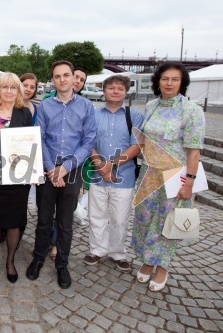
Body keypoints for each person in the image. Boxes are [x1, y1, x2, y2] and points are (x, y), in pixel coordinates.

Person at [132, 62, 205, 292]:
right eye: (165, 79)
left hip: (175, 176)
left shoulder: (191, 110)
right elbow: (143, 139)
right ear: (158, 81)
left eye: (174, 79)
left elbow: (194, 150)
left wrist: (189, 182)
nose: (169, 83)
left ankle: (162, 265)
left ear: (182, 82)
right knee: (144, 219)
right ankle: (147, 259)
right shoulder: (151, 106)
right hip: (149, 173)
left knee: (167, 222)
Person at [26, 60, 96, 289]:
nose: (63, 79)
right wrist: (50, 169)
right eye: (58, 76)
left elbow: (88, 142)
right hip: (48, 168)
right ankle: (38, 258)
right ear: (53, 80)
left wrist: (65, 168)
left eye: (66, 75)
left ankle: (62, 264)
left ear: (72, 76)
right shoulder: (45, 107)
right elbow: (41, 138)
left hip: (72, 170)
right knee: (44, 219)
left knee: (66, 222)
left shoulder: (86, 106)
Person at [85, 75, 143, 272]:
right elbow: (87, 142)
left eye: (120, 88)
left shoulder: (134, 116)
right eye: (111, 88)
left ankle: (118, 253)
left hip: (124, 176)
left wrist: (112, 165)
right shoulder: (93, 114)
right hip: (97, 174)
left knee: (119, 217)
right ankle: (97, 250)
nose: (116, 91)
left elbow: (137, 146)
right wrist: (101, 166)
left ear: (126, 92)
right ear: (104, 91)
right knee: (96, 215)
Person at [0, 73, 32, 283]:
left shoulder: (24, 114)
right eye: (5, 87)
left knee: (14, 223)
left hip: (17, 179)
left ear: (18, 91)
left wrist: (31, 171)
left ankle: (10, 261)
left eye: (13, 88)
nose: (9, 91)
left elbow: (30, 144)